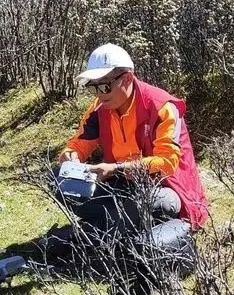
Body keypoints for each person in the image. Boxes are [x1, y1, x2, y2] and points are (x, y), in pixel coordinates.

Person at [56, 42, 209, 243]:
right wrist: (70, 156)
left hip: (167, 189)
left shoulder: (161, 107)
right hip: (121, 187)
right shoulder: (99, 109)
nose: (100, 94)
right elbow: (79, 144)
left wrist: (115, 169)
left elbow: (167, 163)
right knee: (60, 181)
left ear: (127, 78)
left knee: (141, 204)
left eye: (105, 85)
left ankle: (95, 233)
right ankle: (112, 226)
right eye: (93, 87)